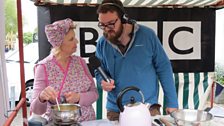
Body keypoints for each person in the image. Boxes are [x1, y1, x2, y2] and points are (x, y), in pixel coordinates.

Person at [95, 0, 178, 121]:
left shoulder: (147, 35)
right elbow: (98, 71)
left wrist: (172, 102)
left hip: (148, 108)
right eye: (102, 25)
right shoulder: (102, 43)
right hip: (116, 110)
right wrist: (102, 81)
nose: (107, 29)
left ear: (123, 19)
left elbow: (164, 67)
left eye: (111, 24)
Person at [30, 18, 98, 122]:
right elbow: (36, 110)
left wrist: (79, 97)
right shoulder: (43, 67)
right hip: (58, 123)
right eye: (71, 39)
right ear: (59, 44)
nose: (77, 41)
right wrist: (41, 97)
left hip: (88, 122)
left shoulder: (80, 62)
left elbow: (94, 93)